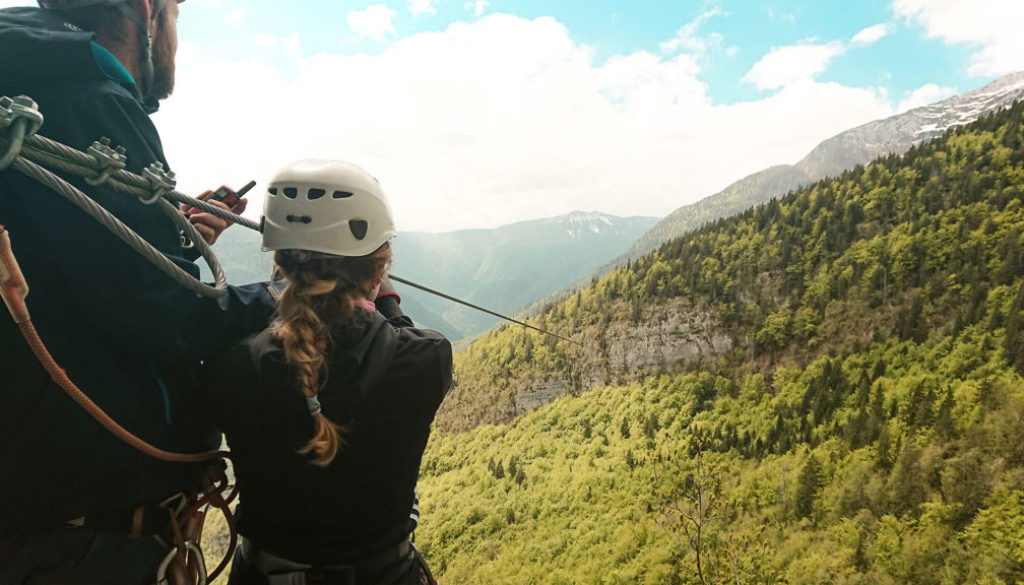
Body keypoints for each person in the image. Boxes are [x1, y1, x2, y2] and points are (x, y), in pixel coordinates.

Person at [0, 1, 275, 582]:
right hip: (87, 540)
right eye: (175, 13)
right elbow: (173, 316)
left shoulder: (30, 80)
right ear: (147, 12)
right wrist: (285, 294)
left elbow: (76, 270)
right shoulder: (88, 99)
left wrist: (171, 238)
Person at [205, 159, 452, 585]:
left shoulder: (231, 367)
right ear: (378, 268)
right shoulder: (427, 360)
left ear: (281, 263)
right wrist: (386, 300)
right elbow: (392, 336)